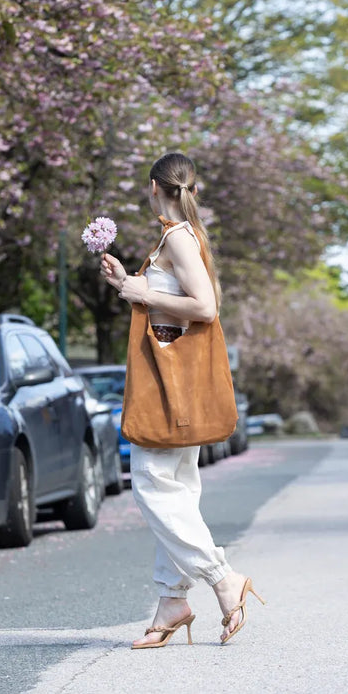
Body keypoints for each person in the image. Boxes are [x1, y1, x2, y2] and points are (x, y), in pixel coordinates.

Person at [100, 152, 265, 647]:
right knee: (177, 493)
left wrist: (141, 293)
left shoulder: (176, 237)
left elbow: (204, 307)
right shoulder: (182, 237)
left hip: (169, 388)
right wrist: (127, 283)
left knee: (152, 488)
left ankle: (222, 578)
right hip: (179, 385)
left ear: (155, 186)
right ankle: (173, 600)